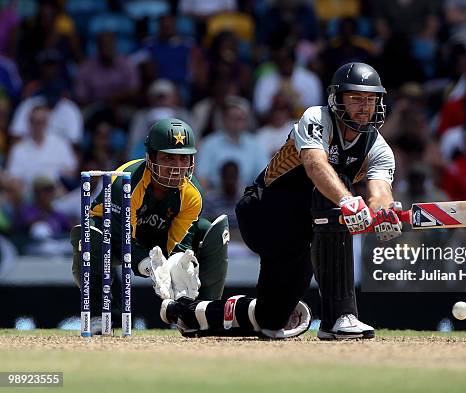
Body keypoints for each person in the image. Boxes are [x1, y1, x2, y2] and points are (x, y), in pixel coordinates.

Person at [160, 62, 400, 340]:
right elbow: (315, 166)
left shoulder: (378, 147)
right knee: (339, 185)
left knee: (271, 319)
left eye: (371, 99)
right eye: (356, 98)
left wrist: (383, 214)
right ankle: (339, 317)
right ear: (337, 99)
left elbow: (380, 191)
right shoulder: (316, 118)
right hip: (264, 211)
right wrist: (349, 201)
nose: (364, 106)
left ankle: (187, 313)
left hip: (302, 230)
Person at [69, 118, 229, 334]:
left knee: (210, 229)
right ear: (150, 157)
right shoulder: (125, 182)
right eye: (168, 158)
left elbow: (180, 244)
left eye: (184, 159)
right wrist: (150, 266)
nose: (177, 168)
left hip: (158, 239)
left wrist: (177, 266)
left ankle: (201, 315)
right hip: (112, 238)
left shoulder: (192, 193)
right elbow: (121, 238)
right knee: (88, 235)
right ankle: (99, 315)